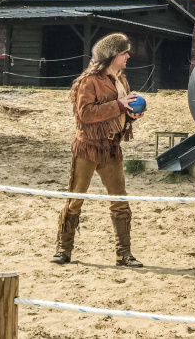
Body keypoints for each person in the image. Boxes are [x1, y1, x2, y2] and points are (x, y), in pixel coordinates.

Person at [50, 32, 145, 267]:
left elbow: (119, 114)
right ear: (113, 56)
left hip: (112, 147)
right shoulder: (88, 81)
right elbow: (85, 114)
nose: (128, 56)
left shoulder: (121, 80)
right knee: (75, 198)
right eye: (124, 52)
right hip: (88, 147)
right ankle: (63, 249)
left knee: (120, 201)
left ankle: (124, 253)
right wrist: (119, 105)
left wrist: (131, 115)